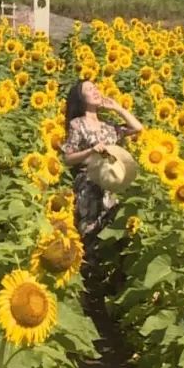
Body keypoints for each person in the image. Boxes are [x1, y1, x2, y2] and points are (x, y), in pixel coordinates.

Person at [60, 80, 144, 251]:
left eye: (96, 87)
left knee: (111, 232)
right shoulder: (77, 124)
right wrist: (91, 151)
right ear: (81, 98)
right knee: (89, 233)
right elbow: (67, 158)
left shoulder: (109, 127)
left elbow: (137, 127)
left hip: (112, 183)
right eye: (90, 89)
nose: (96, 90)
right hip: (89, 185)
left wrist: (117, 108)